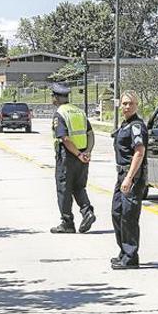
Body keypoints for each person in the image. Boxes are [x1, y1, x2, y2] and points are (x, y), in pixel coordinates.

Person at [49, 83, 96, 234]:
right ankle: (87, 211)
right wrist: (86, 153)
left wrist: (77, 154)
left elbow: (65, 138)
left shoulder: (60, 113)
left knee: (64, 189)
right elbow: (90, 134)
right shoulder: (79, 112)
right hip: (82, 157)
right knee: (79, 186)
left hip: (68, 157)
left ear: (56, 97)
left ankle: (67, 222)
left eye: (52, 96)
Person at [111, 91, 149, 269]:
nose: (127, 107)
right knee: (117, 213)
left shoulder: (136, 126)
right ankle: (124, 252)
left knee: (128, 216)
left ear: (136, 106)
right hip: (122, 176)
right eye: (125, 103)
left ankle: (131, 256)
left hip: (131, 176)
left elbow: (139, 152)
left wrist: (129, 178)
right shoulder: (125, 125)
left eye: (131, 104)